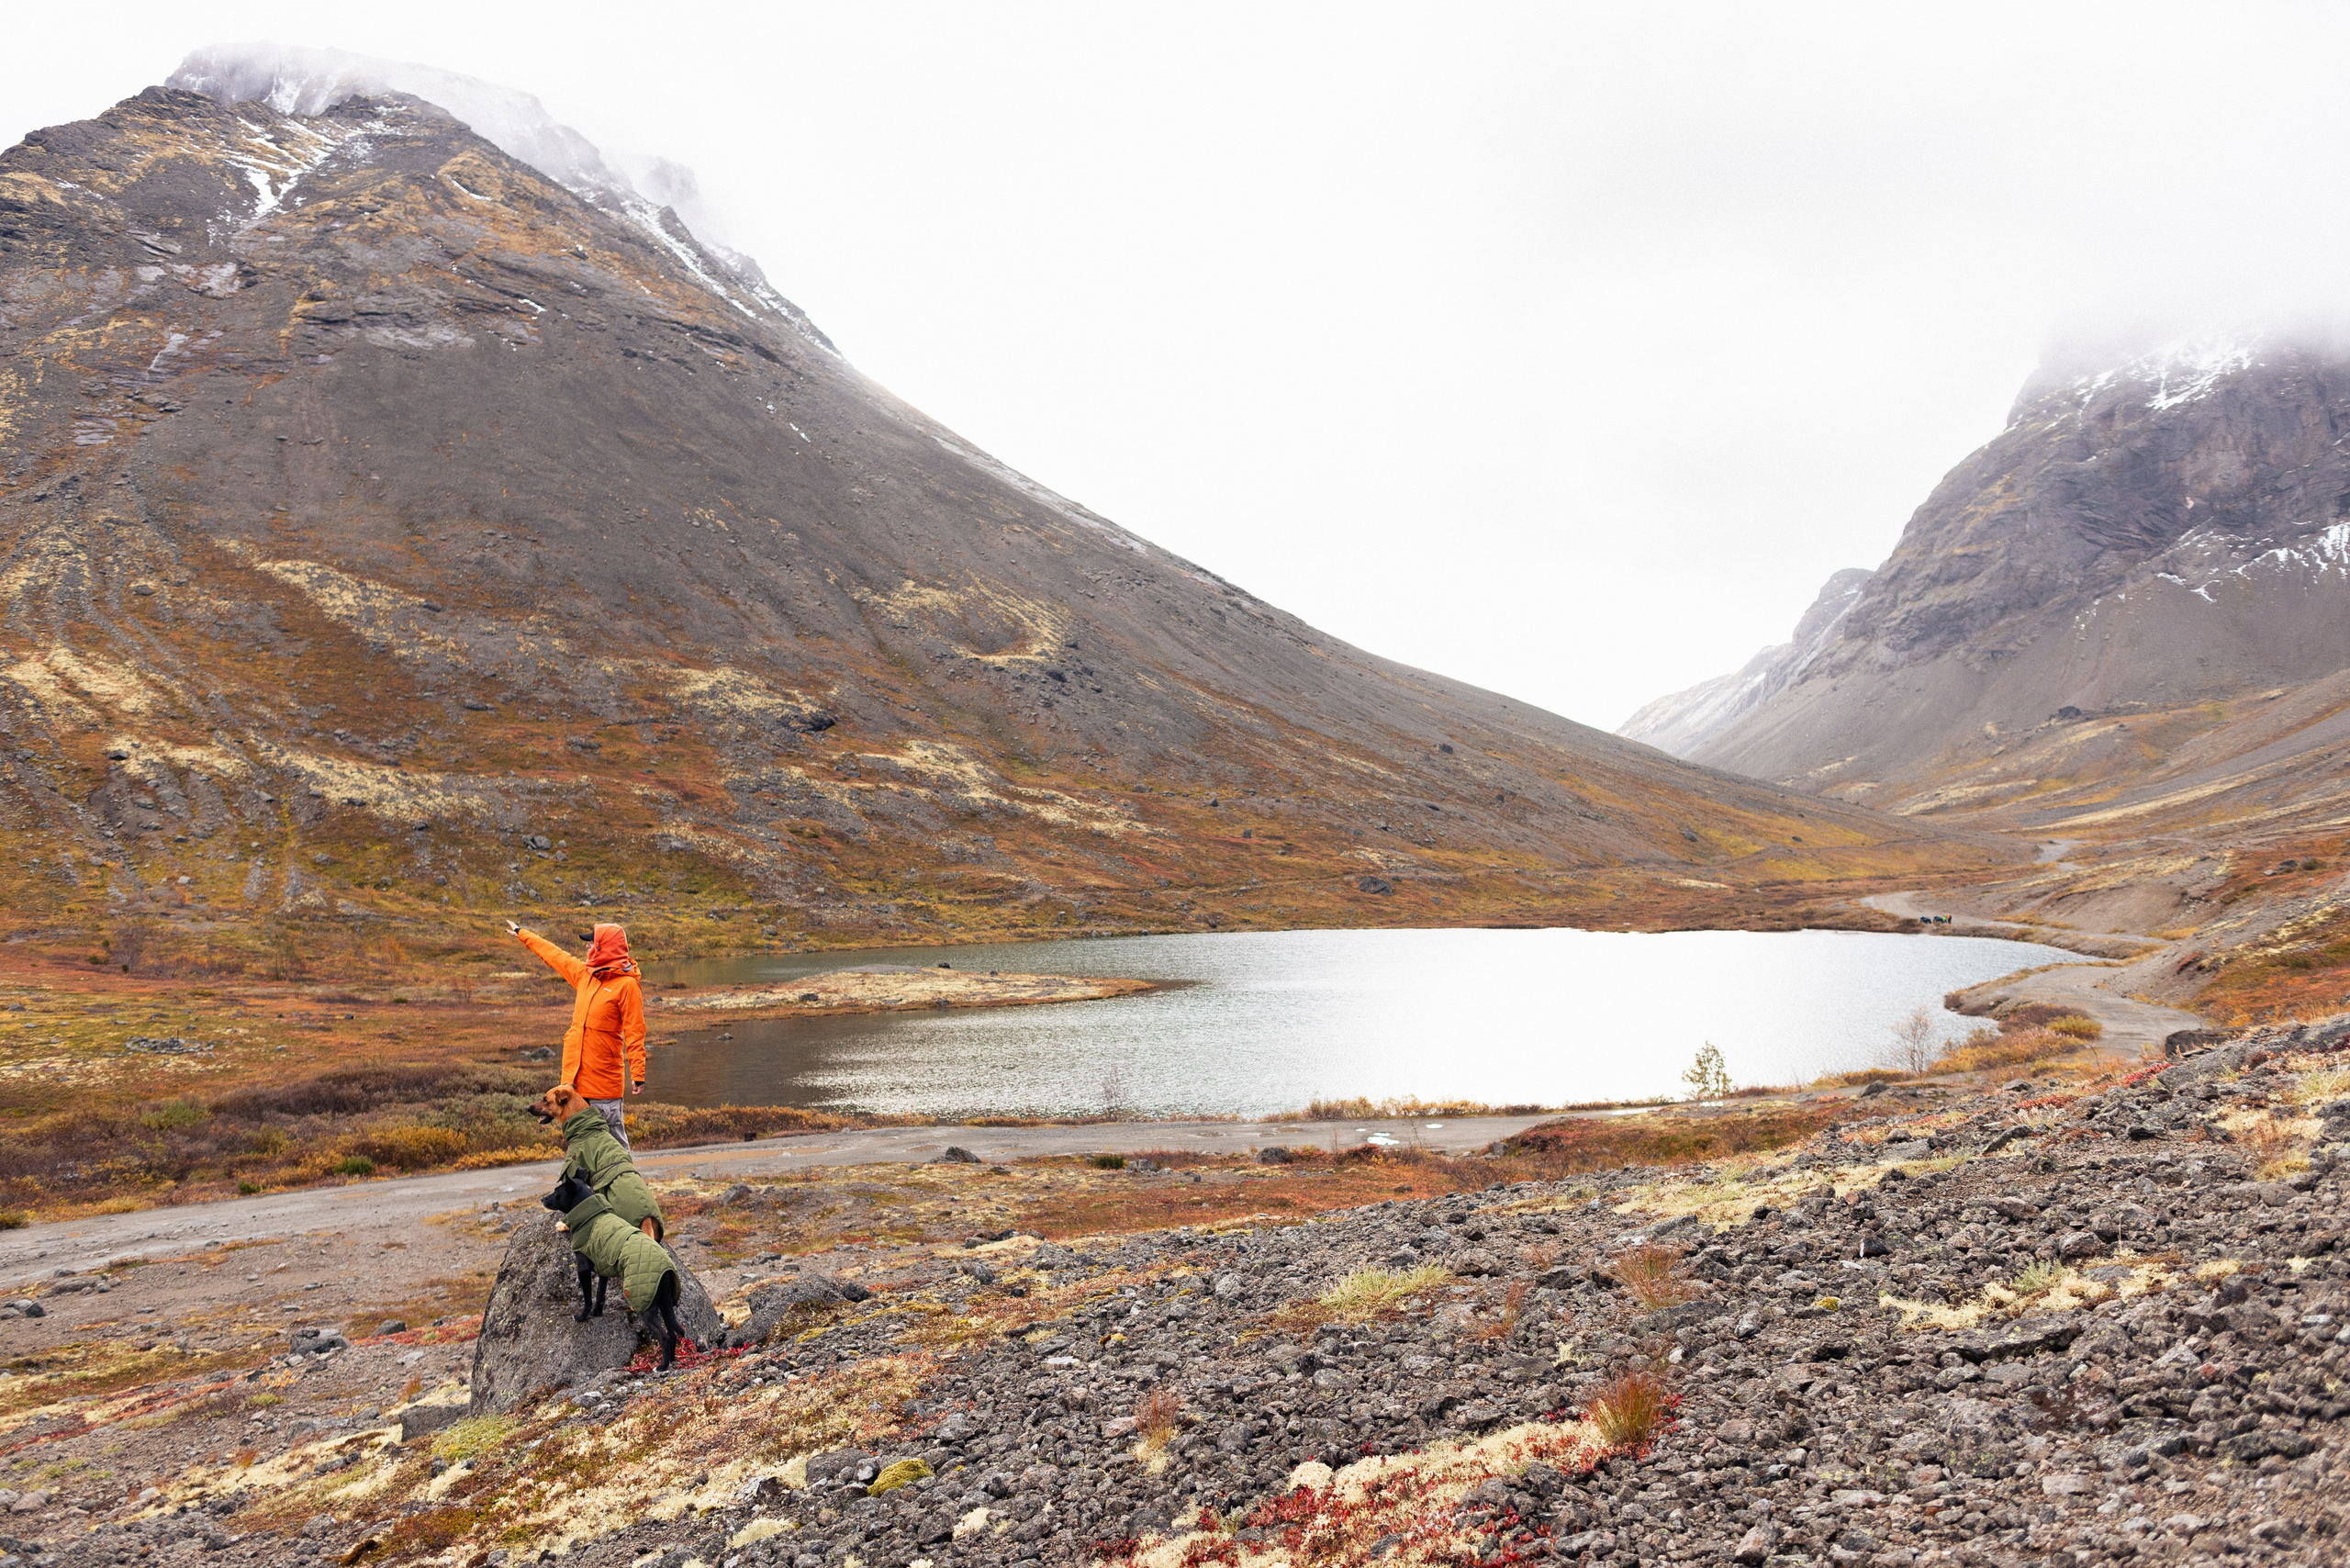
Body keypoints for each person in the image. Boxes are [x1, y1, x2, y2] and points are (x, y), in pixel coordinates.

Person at [508, 919, 646, 1146]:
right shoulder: (585, 975)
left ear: (604, 948)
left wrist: (638, 1073)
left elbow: (635, 1030)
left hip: (603, 1090)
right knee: (580, 1151)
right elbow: (555, 956)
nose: (587, 947)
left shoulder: (627, 986)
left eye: (591, 943)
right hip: (572, 1090)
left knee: (613, 1150)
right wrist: (523, 934)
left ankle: (626, 1182)